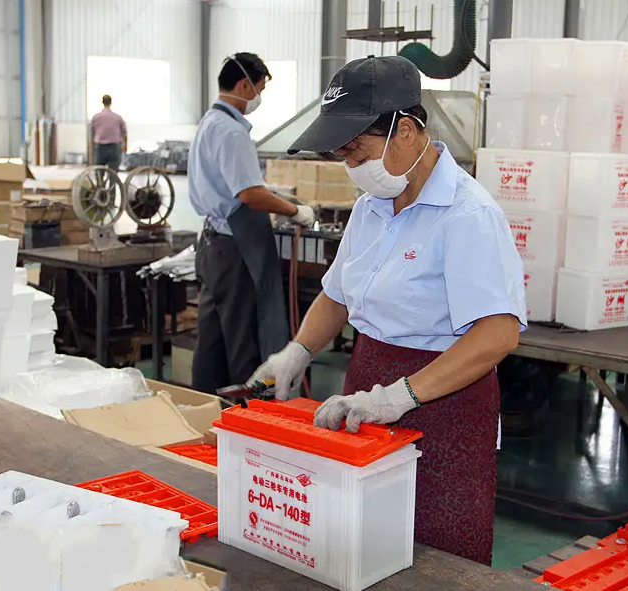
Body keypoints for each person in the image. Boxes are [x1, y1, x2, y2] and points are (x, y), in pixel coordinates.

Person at [247, 56, 527, 565]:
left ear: (408, 130)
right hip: (368, 386)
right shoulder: (371, 207)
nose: (352, 167)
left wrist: (400, 396)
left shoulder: (469, 215)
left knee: (435, 556)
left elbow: (497, 336)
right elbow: (337, 295)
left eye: (358, 150)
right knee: (364, 543)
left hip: (444, 405)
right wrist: (298, 353)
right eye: (343, 156)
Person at [188, 52, 316, 394]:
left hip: (212, 243)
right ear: (245, 85)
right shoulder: (231, 132)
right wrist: (293, 210)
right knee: (244, 334)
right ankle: (248, 412)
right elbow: (248, 195)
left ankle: (204, 405)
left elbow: (239, 187)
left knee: (212, 336)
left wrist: (265, 191)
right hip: (233, 248)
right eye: (260, 88)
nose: (259, 97)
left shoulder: (209, 123)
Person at [90, 94, 127, 171]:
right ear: (111, 103)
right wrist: (125, 146)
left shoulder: (96, 117)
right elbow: (124, 133)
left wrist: (92, 147)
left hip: (100, 147)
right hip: (114, 147)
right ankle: (112, 183)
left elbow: (92, 133)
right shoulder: (118, 117)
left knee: (99, 171)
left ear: (102, 102)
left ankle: (100, 183)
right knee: (113, 171)